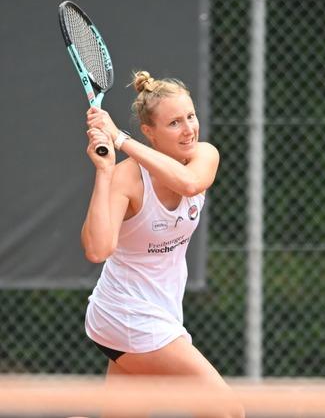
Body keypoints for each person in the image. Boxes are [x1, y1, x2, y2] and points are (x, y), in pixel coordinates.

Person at [81, 70, 244, 418]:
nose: (188, 129)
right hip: (124, 312)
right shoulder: (127, 179)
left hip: (163, 311)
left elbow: (188, 184)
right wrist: (105, 171)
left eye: (190, 116)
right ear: (149, 132)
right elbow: (98, 250)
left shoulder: (204, 155)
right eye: (174, 123)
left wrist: (122, 141)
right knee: (226, 411)